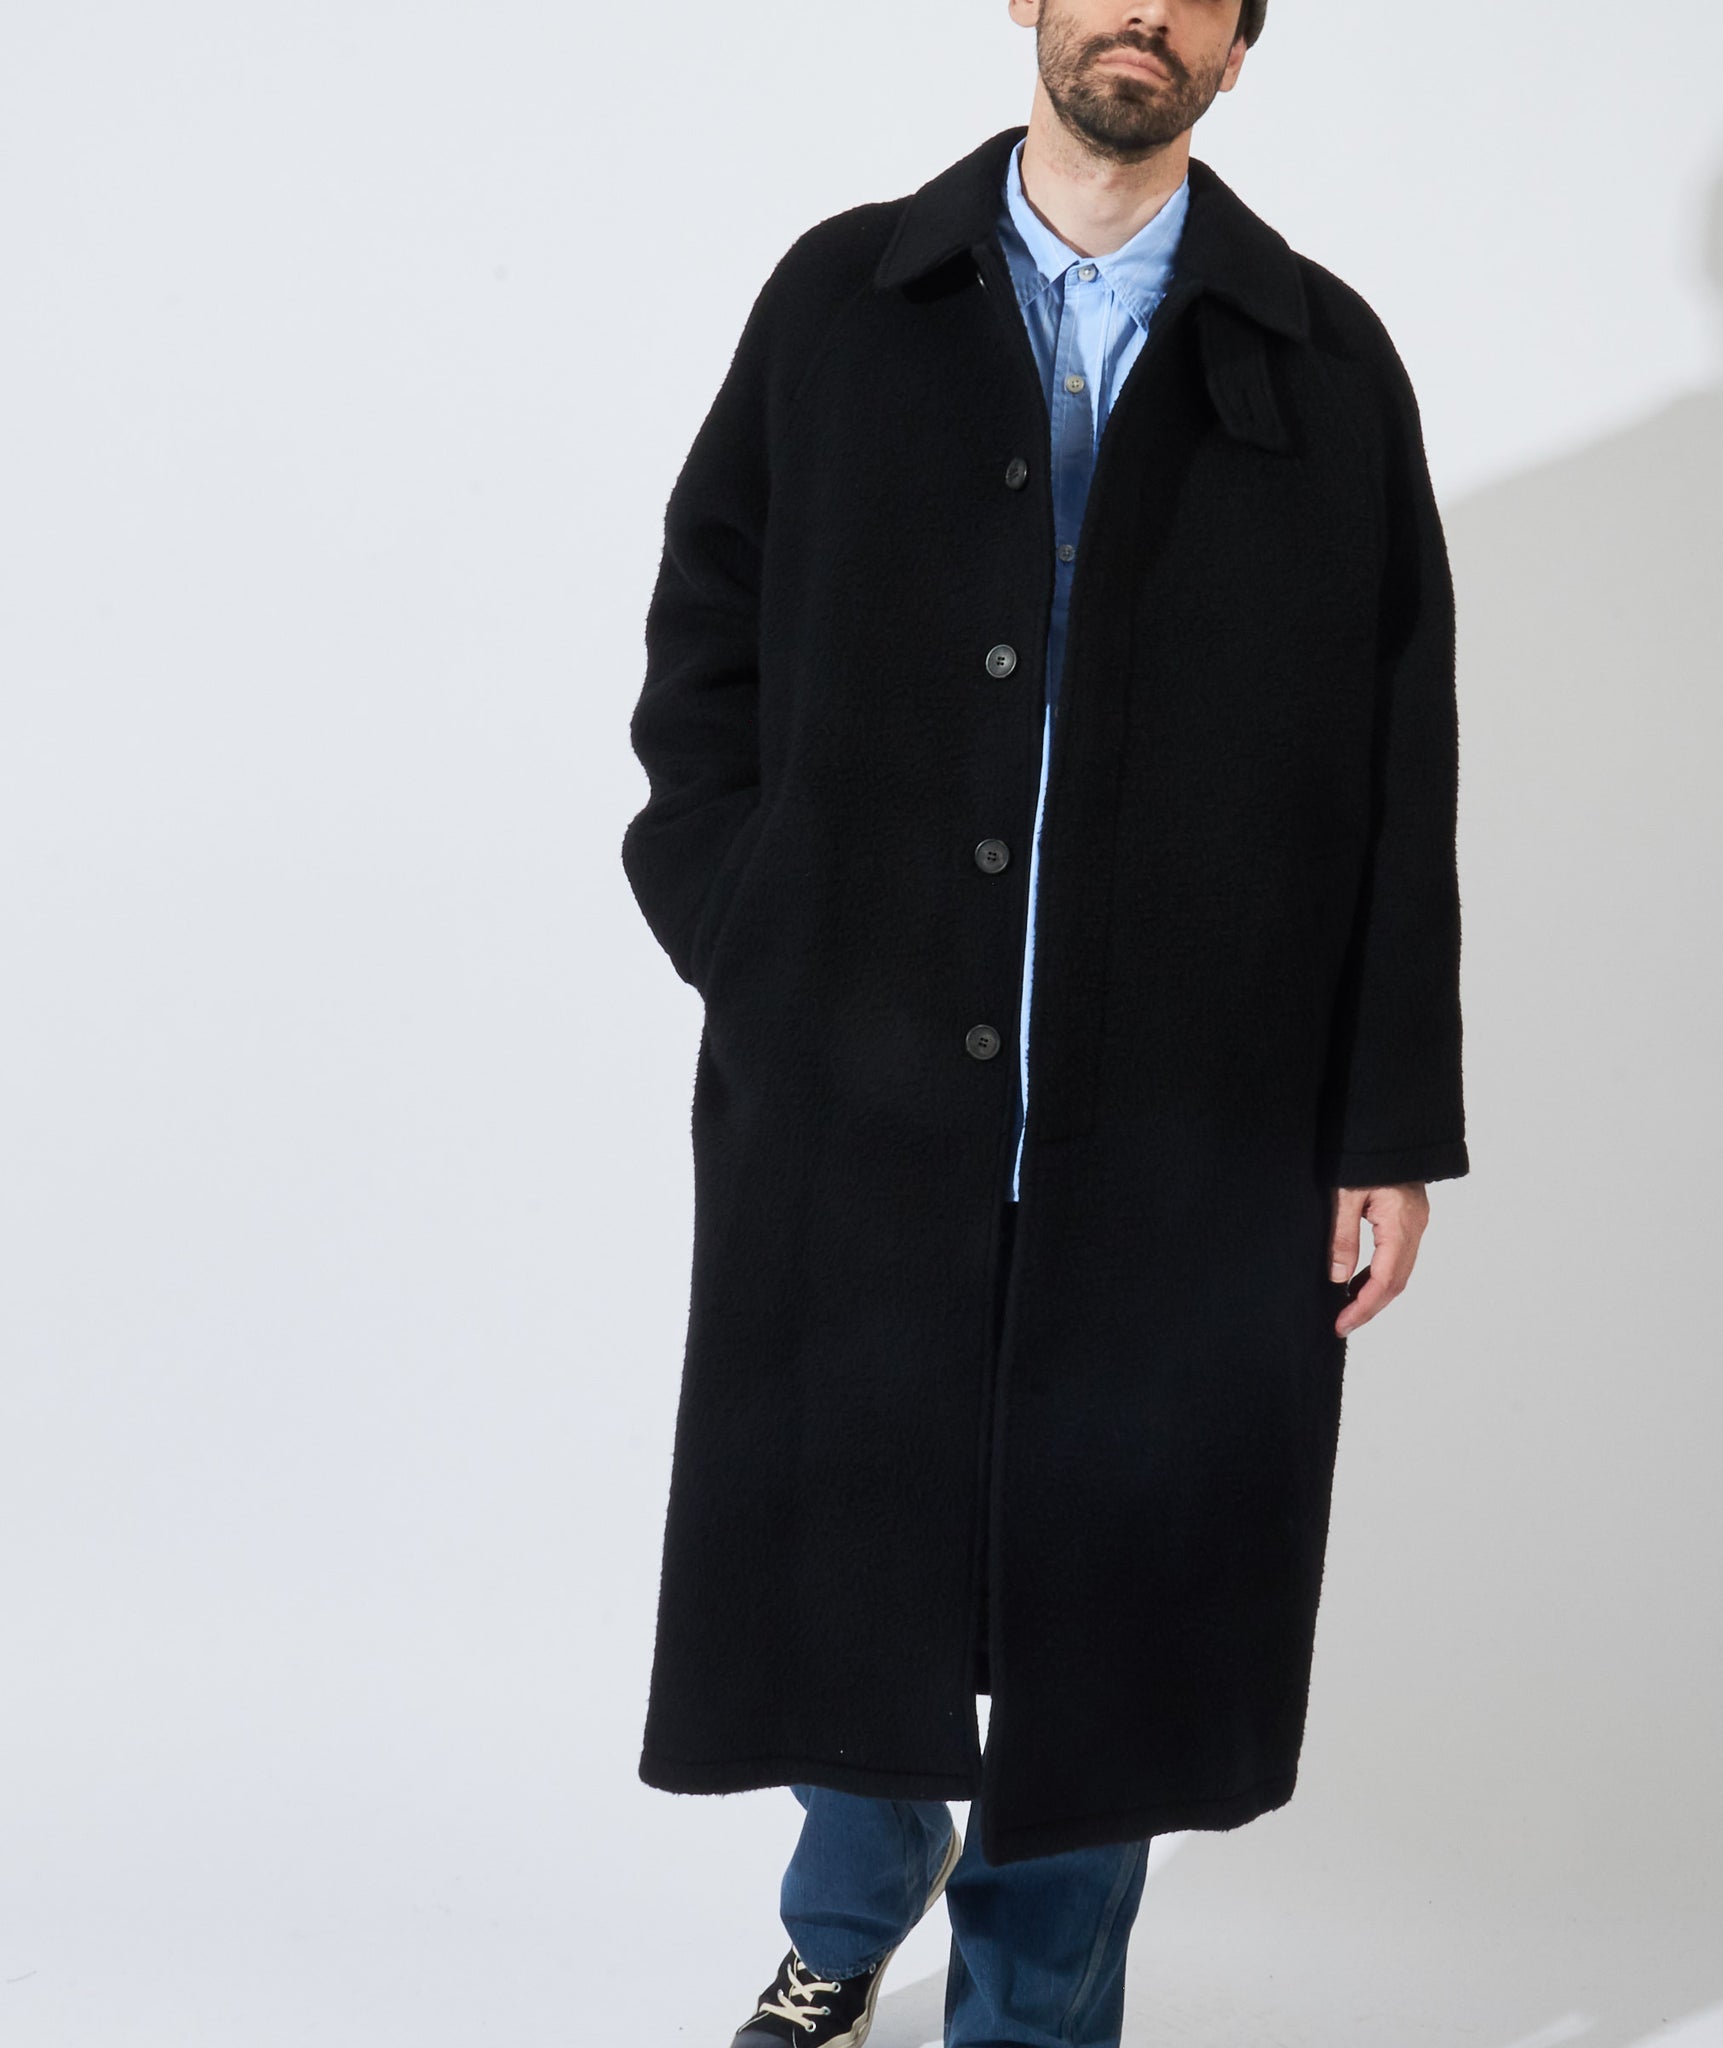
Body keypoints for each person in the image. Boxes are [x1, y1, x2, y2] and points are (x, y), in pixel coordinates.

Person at [620, 3, 1467, 2043]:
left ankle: (1033, 2016)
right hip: (861, 1088)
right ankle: (846, 1921)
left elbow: (1399, 760)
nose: (1140, 13)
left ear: (1239, 46)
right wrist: (743, 917)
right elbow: (705, 633)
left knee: (1113, 1611)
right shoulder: (845, 301)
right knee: (854, 1549)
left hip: (1190, 1117)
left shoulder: (1323, 358)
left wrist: (1384, 1118)